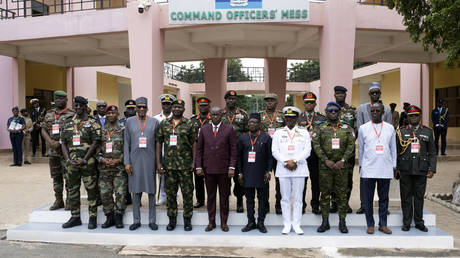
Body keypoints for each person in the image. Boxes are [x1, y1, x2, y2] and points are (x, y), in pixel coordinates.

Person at [313, 102, 355, 234]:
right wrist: (326, 160)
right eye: (330, 111)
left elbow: (351, 145)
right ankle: (325, 222)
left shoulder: (347, 128)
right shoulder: (319, 128)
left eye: (335, 111)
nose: (333, 113)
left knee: (342, 195)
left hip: (342, 167)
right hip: (325, 167)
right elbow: (316, 145)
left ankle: (342, 222)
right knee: (325, 194)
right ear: (326, 112)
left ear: (339, 112)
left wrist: (343, 160)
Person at [156, 99, 197, 232]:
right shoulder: (164, 124)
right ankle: (172, 220)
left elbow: (194, 143)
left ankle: (187, 220)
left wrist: (194, 161)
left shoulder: (189, 123)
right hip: (169, 166)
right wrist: (158, 162)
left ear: (184, 109)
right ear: (172, 108)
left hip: (185, 166)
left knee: (187, 194)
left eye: (180, 107)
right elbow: (158, 143)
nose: (177, 109)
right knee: (170, 194)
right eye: (175, 106)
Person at [60, 96, 101, 229]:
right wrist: (67, 160)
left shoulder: (93, 122)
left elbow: (96, 142)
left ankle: (93, 217)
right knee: (73, 190)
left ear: (85, 107)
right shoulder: (68, 122)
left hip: (87, 163)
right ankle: (75, 217)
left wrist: (85, 159)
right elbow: (63, 143)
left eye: (80, 105)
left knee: (91, 190)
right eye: (76, 105)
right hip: (71, 163)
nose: (77, 108)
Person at [195, 106, 237, 232]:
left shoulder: (229, 129)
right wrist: (198, 166)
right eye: (212, 115)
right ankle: (211, 222)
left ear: (221, 115)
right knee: (211, 197)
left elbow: (233, 150)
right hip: (209, 170)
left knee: (224, 197)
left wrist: (232, 167)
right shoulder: (204, 129)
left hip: (224, 170)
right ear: (210, 115)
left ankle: (224, 222)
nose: (215, 117)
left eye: (217, 114)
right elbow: (199, 150)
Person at [395, 105, 436, 232]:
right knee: (406, 196)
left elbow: (432, 153)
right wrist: (396, 168)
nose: (413, 117)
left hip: (421, 169)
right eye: (411, 115)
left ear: (420, 116)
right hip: (405, 169)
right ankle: (406, 222)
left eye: (416, 115)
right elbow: (396, 151)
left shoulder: (427, 132)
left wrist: (432, 168)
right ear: (407, 117)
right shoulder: (401, 132)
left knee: (419, 196)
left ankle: (419, 222)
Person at [358, 102, 396, 235]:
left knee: (384, 198)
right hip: (368, 169)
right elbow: (361, 149)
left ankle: (383, 224)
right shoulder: (363, 128)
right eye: (372, 111)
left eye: (377, 111)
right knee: (368, 199)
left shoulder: (390, 128)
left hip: (385, 168)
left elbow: (393, 148)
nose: (374, 113)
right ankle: (370, 224)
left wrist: (394, 165)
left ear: (383, 112)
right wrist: (362, 166)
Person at [272, 106, 311, 235]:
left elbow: (307, 150)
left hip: (299, 169)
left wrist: (294, 161)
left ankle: (297, 224)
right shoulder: (278, 133)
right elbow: (274, 151)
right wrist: (285, 162)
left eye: (292, 117)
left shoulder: (304, 132)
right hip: (283, 169)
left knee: (299, 198)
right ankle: (287, 224)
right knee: (285, 198)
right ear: (284, 118)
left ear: (297, 118)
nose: (290, 120)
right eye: (287, 117)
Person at [355, 81, 393, 214]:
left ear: (380, 94)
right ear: (369, 94)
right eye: (373, 93)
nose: (375, 94)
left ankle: (384, 207)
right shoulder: (361, 108)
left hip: (382, 149)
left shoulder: (386, 110)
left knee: (383, 179)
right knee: (365, 179)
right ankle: (364, 205)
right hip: (368, 148)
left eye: (377, 92)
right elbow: (359, 128)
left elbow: (389, 131)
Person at [124, 97, 159, 231]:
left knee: (151, 191)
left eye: (144, 107)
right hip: (134, 161)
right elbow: (126, 143)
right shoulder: (129, 122)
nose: (142, 109)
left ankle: (152, 220)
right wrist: (127, 162)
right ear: (136, 108)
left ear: (147, 108)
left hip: (150, 162)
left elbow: (158, 144)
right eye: (139, 107)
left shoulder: (154, 122)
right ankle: (136, 220)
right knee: (135, 191)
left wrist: (158, 163)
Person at [237, 113, 272, 233]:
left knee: (262, 199)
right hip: (247, 174)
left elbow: (270, 157)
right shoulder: (242, 138)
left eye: (255, 122)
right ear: (247, 124)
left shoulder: (266, 138)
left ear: (259, 124)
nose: (252, 124)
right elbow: (239, 157)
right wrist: (240, 173)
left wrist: (269, 171)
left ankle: (261, 222)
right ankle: (250, 222)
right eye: (250, 122)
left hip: (262, 174)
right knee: (249, 200)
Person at [41, 91, 74, 210]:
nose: (58, 100)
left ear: (66, 100)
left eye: (61, 98)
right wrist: (50, 142)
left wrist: (60, 142)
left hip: (66, 152)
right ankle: (58, 200)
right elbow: (43, 130)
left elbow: (75, 131)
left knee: (68, 177)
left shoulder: (72, 114)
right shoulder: (49, 114)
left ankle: (70, 200)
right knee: (56, 177)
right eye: (56, 98)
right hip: (53, 152)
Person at [97, 105, 127, 229]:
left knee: (120, 193)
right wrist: (102, 159)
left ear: (117, 114)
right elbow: (96, 149)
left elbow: (128, 148)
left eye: (113, 113)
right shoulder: (101, 130)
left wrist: (119, 160)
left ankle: (119, 217)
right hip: (104, 168)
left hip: (119, 168)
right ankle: (109, 217)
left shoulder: (123, 129)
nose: (110, 115)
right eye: (108, 113)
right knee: (105, 193)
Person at [297, 92, 326, 215]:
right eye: (307, 102)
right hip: (302, 155)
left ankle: (315, 205)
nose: (309, 104)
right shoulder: (298, 118)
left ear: (315, 103)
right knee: (301, 182)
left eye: (311, 102)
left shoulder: (322, 118)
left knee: (316, 182)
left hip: (316, 154)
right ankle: (301, 205)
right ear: (303, 104)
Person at [222, 90, 248, 213]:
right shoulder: (219, 114)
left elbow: (248, 132)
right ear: (225, 100)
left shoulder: (243, 114)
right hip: (223, 153)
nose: (231, 101)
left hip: (239, 152)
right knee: (224, 179)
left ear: (236, 100)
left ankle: (239, 202)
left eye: (233, 99)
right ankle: (225, 202)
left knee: (239, 178)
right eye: (229, 99)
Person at [331, 85, 356, 214]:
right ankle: (334, 203)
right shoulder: (330, 109)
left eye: (342, 93)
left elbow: (355, 130)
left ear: (346, 95)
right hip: (332, 152)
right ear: (334, 95)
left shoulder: (352, 111)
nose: (340, 95)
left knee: (347, 179)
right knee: (333, 178)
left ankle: (345, 203)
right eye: (338, 93)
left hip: (348, 152)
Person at [259, 93, 284, 215]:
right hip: (265, 152)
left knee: (279, 180)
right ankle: (265, 205)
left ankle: (278, 204)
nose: (269, 103)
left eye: (272, 100)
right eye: (267, 101)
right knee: (264, 179)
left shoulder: (282, 116)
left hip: (279, 152)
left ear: (276, 102)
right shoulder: (260, 115)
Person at [153, 94, 177, 206]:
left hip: (176, 153)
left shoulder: (177, 117)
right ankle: (163, 197)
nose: (166, 106)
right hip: (162, 152)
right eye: (164, 104)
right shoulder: (156, 119)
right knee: (161, 175)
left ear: (172, 105)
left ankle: (174, 197)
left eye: (168, 104)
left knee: (174, 177)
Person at [190, 97, 212, 209]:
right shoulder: (193, 120)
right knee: (198, 179)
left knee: (210, 179)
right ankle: (200, 200)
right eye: (201, 106)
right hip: (197, 153)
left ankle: (211, 200)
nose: (203, 107)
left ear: (209, 107)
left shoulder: (213, 119)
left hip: (210, 154)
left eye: (205, 105)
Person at [118, 99, 136, 206]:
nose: (131, 111)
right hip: (122, 152)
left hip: (135, 152)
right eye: (129, 109)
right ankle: (127, 198)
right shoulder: (120, 122)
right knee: (124, 176)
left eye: (132, 109)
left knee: (135, 176)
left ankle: (136, 198)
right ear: (125, 110)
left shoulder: (139, 121)